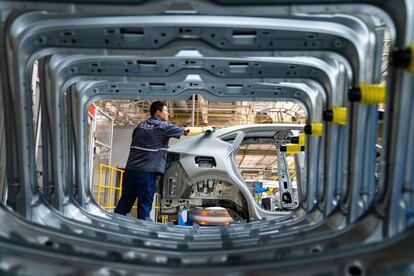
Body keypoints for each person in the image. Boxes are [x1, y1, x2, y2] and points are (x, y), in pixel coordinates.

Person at [114, 100, 214, 220]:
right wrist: (205, 129)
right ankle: (143, 233)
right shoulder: (163, 127)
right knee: (144, 204)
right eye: (166, 111)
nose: (168, 114)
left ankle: (113, 226)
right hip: (147, 172)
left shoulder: (139, 126)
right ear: (157, 112)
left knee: (125, 200)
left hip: (130, 170)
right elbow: (186, 131)